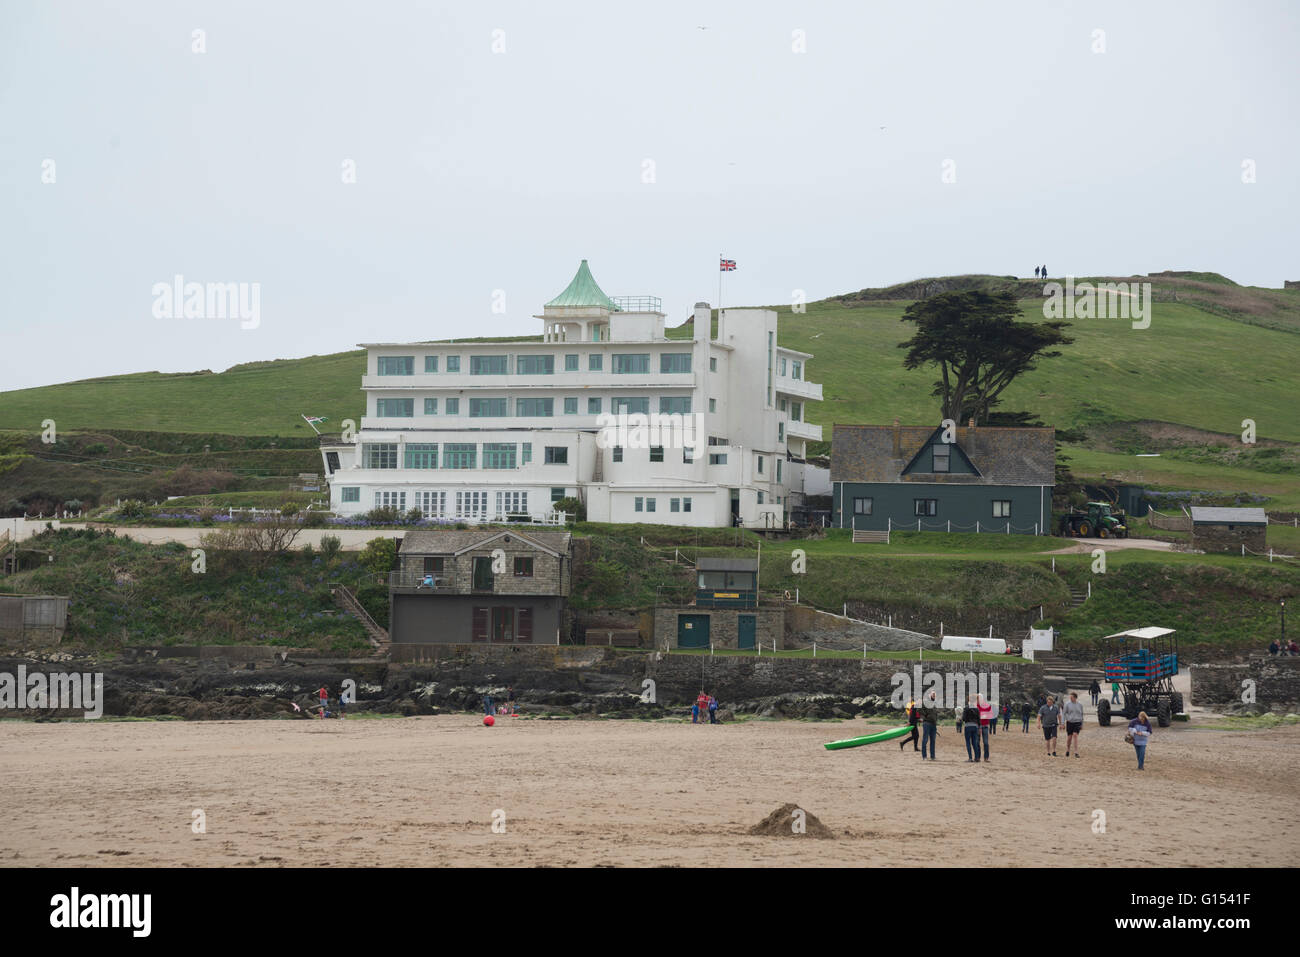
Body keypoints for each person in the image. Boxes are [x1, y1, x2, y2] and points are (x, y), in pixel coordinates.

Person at [1062, 692, 1085, 757]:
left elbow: (1081, 714)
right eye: (1070, 697)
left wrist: (1082, 724)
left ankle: (1076, 752)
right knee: (1069, 737)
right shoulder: (1067, 704)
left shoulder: (1080, 705)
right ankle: (1068, 750)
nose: (1070, 698)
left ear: (1075, 698)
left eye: (1071, 697)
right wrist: (1063, 723)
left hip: (1077, 722)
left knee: (1075, 735)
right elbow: (1063, 713)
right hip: (1069, 722)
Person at [962, 696, 981, 763]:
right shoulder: (977, 709)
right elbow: (979, 719)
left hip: (968, 726)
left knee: (968, 742)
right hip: (975, 726)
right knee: (974, 742)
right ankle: (977, 757)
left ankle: (970, 758)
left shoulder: (966, 708)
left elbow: (963, 718)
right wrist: (979, 727)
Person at [920, 692, 939, 760]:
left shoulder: (935, 704)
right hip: (927, 723)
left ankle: (932, 756)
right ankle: (924, 756)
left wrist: (936, 721)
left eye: (935, 695)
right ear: (930, 695)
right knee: (925, 740)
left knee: (933, 740)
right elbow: (920, 710)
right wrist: (924, 716)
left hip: (933, 724)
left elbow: (935, 714)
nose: (934, 696)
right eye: (933, 694)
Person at [977, 694, 994, 761]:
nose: (978, 700)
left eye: (979, 698)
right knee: (977, 742)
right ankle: (978, 757)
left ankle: (986, 757)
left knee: (986, 743)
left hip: (985, 726)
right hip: (978, 726)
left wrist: (984, 715)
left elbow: (991, 715)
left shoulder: (987, 705)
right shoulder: (975, 706)